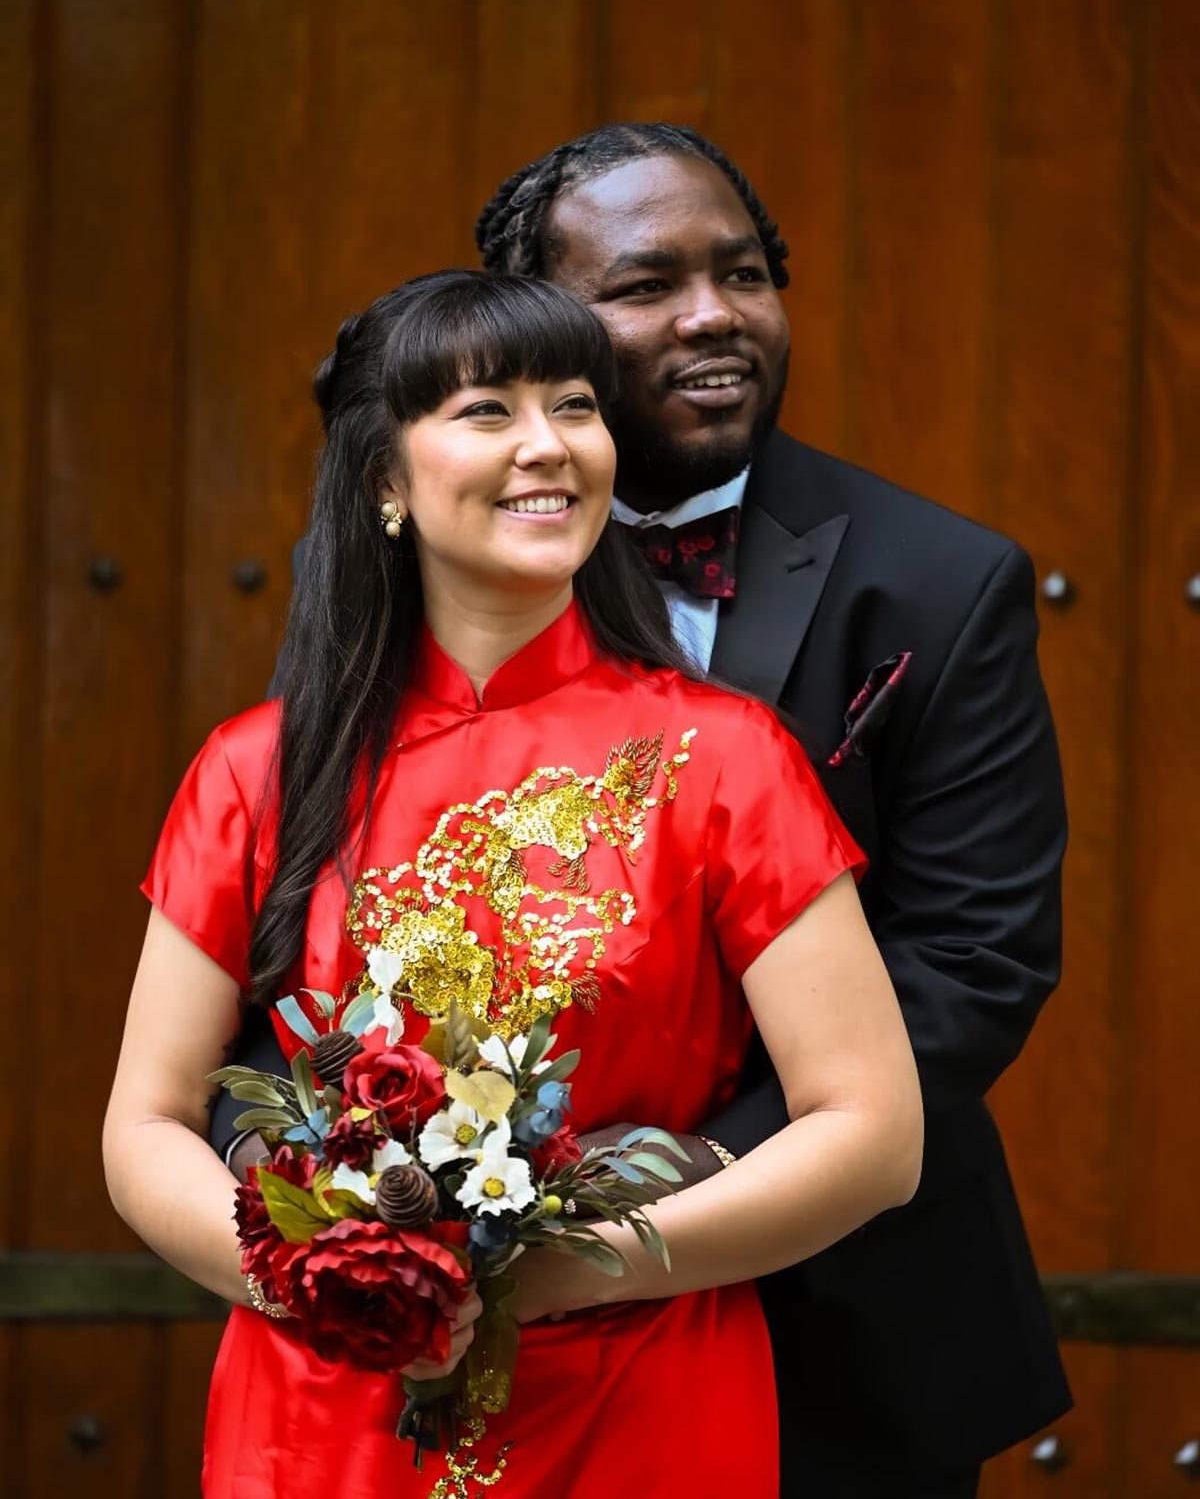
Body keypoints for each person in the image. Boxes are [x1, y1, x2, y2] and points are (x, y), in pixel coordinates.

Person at [214, 125, 1072, 1497]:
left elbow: (975, 961)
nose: (711, 314)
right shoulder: (407, 576)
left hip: (854, 1317)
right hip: (447, 1346)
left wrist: (614, 1198)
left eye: (744, 274)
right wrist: (341, 1205)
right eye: (646, 284)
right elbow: (303, 927)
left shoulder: (942, 581)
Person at [103, 269, 923, 1499]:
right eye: (487, 411)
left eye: (577, 406)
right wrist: (328, 1280)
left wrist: (564, 1267)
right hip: (325, 1412)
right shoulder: (258, 768)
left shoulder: (728, 760)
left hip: (639, 1402)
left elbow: (873, 1134)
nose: (548, 447)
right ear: (385, 477)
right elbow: (145, 1125)